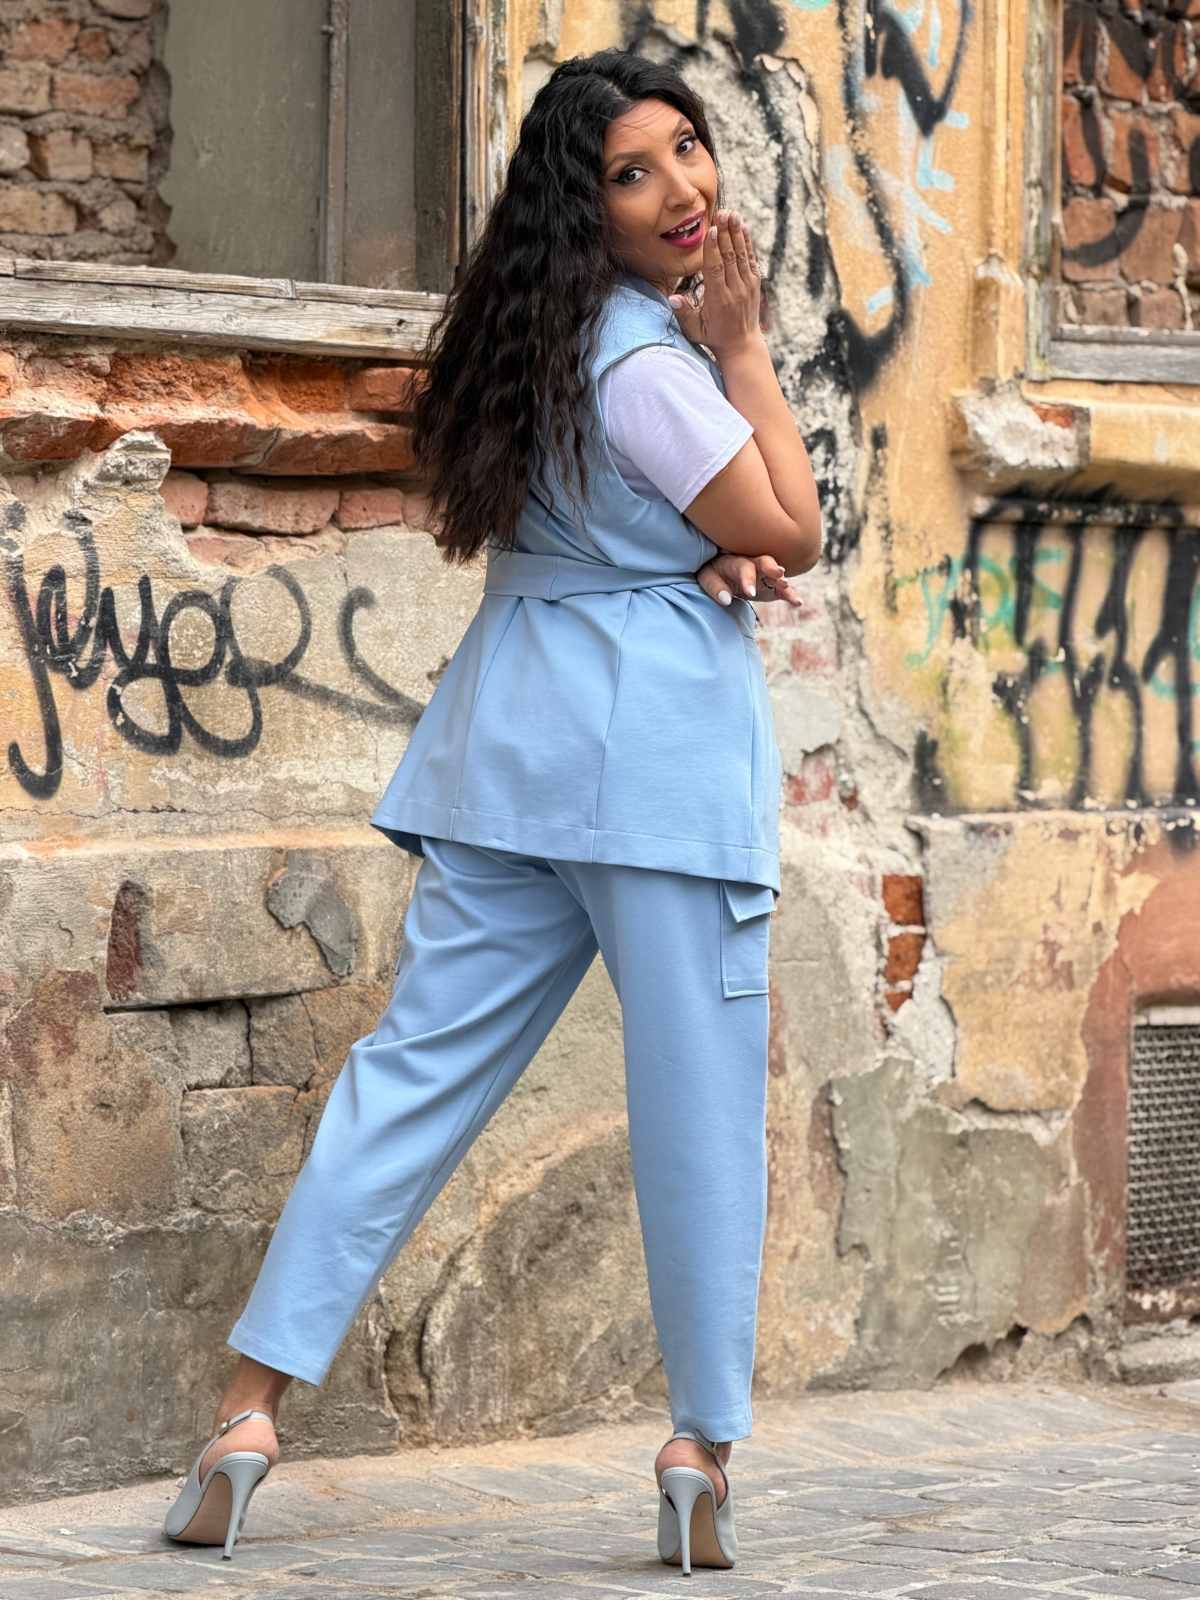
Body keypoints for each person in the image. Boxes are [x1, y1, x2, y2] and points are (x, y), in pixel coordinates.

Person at [164, 48, 821, 1574]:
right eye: (634, 174)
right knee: (699, 1110)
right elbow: (790, 522)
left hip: (511, 752)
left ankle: (247, 1413)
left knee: (407, 1079)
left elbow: (631, 528)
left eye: (687, 150)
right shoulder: (656, 364)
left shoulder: (535, 343)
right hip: (655, 775)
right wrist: (744, 357)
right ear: (583, 211)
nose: (682, 189)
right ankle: (699, 1449)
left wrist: (693, 546)